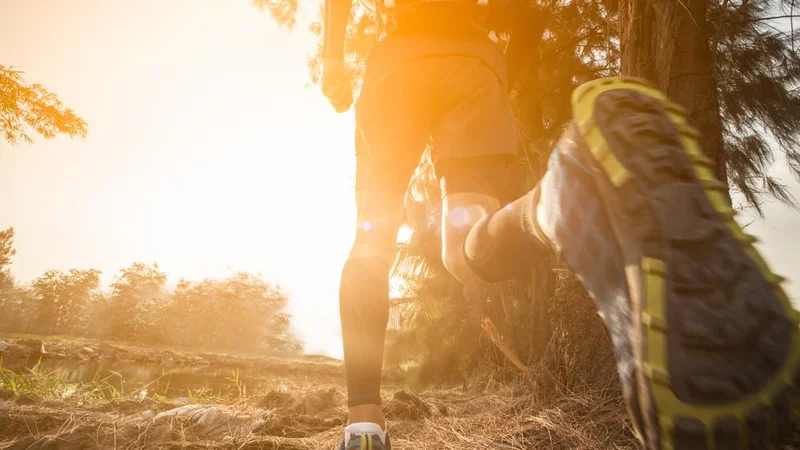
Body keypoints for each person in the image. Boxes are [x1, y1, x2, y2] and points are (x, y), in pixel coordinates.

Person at [321, 0, 800, 448]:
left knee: (372, 242)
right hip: (472, 66)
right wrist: (495, 79)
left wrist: (333, 58)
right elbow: (528, 16)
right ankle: (556, 200)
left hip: (396, 71)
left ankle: (364, 425)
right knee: (465, 245)